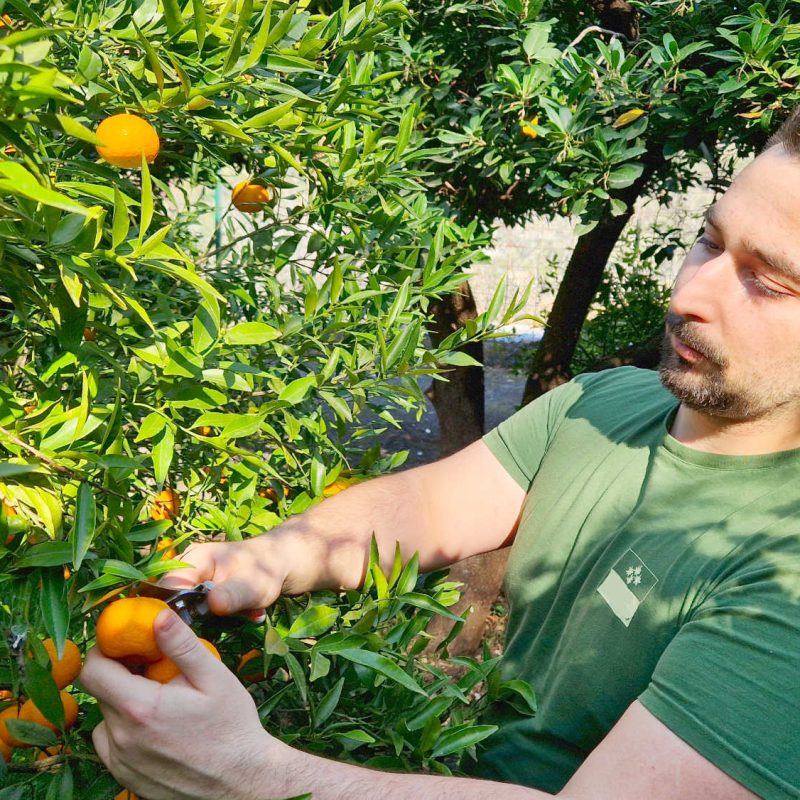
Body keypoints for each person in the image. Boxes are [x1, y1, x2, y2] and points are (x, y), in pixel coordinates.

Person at [79, 108, 800, 800]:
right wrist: (267, 558)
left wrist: (247, 776)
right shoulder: (605, 404)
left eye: (766, 282)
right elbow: (429, 505)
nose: (694, 291)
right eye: (709, 241)